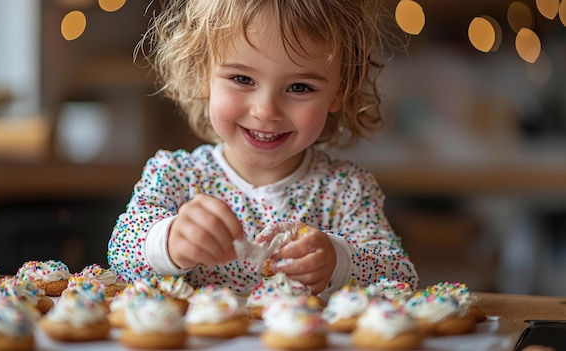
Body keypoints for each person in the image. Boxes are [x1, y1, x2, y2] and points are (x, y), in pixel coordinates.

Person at [107, 0, 418, 298]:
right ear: (202, 73)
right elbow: (121, 253)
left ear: (340, 91)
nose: (266, 110)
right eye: (242, 79)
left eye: (299, 87)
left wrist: (338, 261)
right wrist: (170, 241)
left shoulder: (346, 191)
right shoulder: (176, 176)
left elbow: (401, 276)